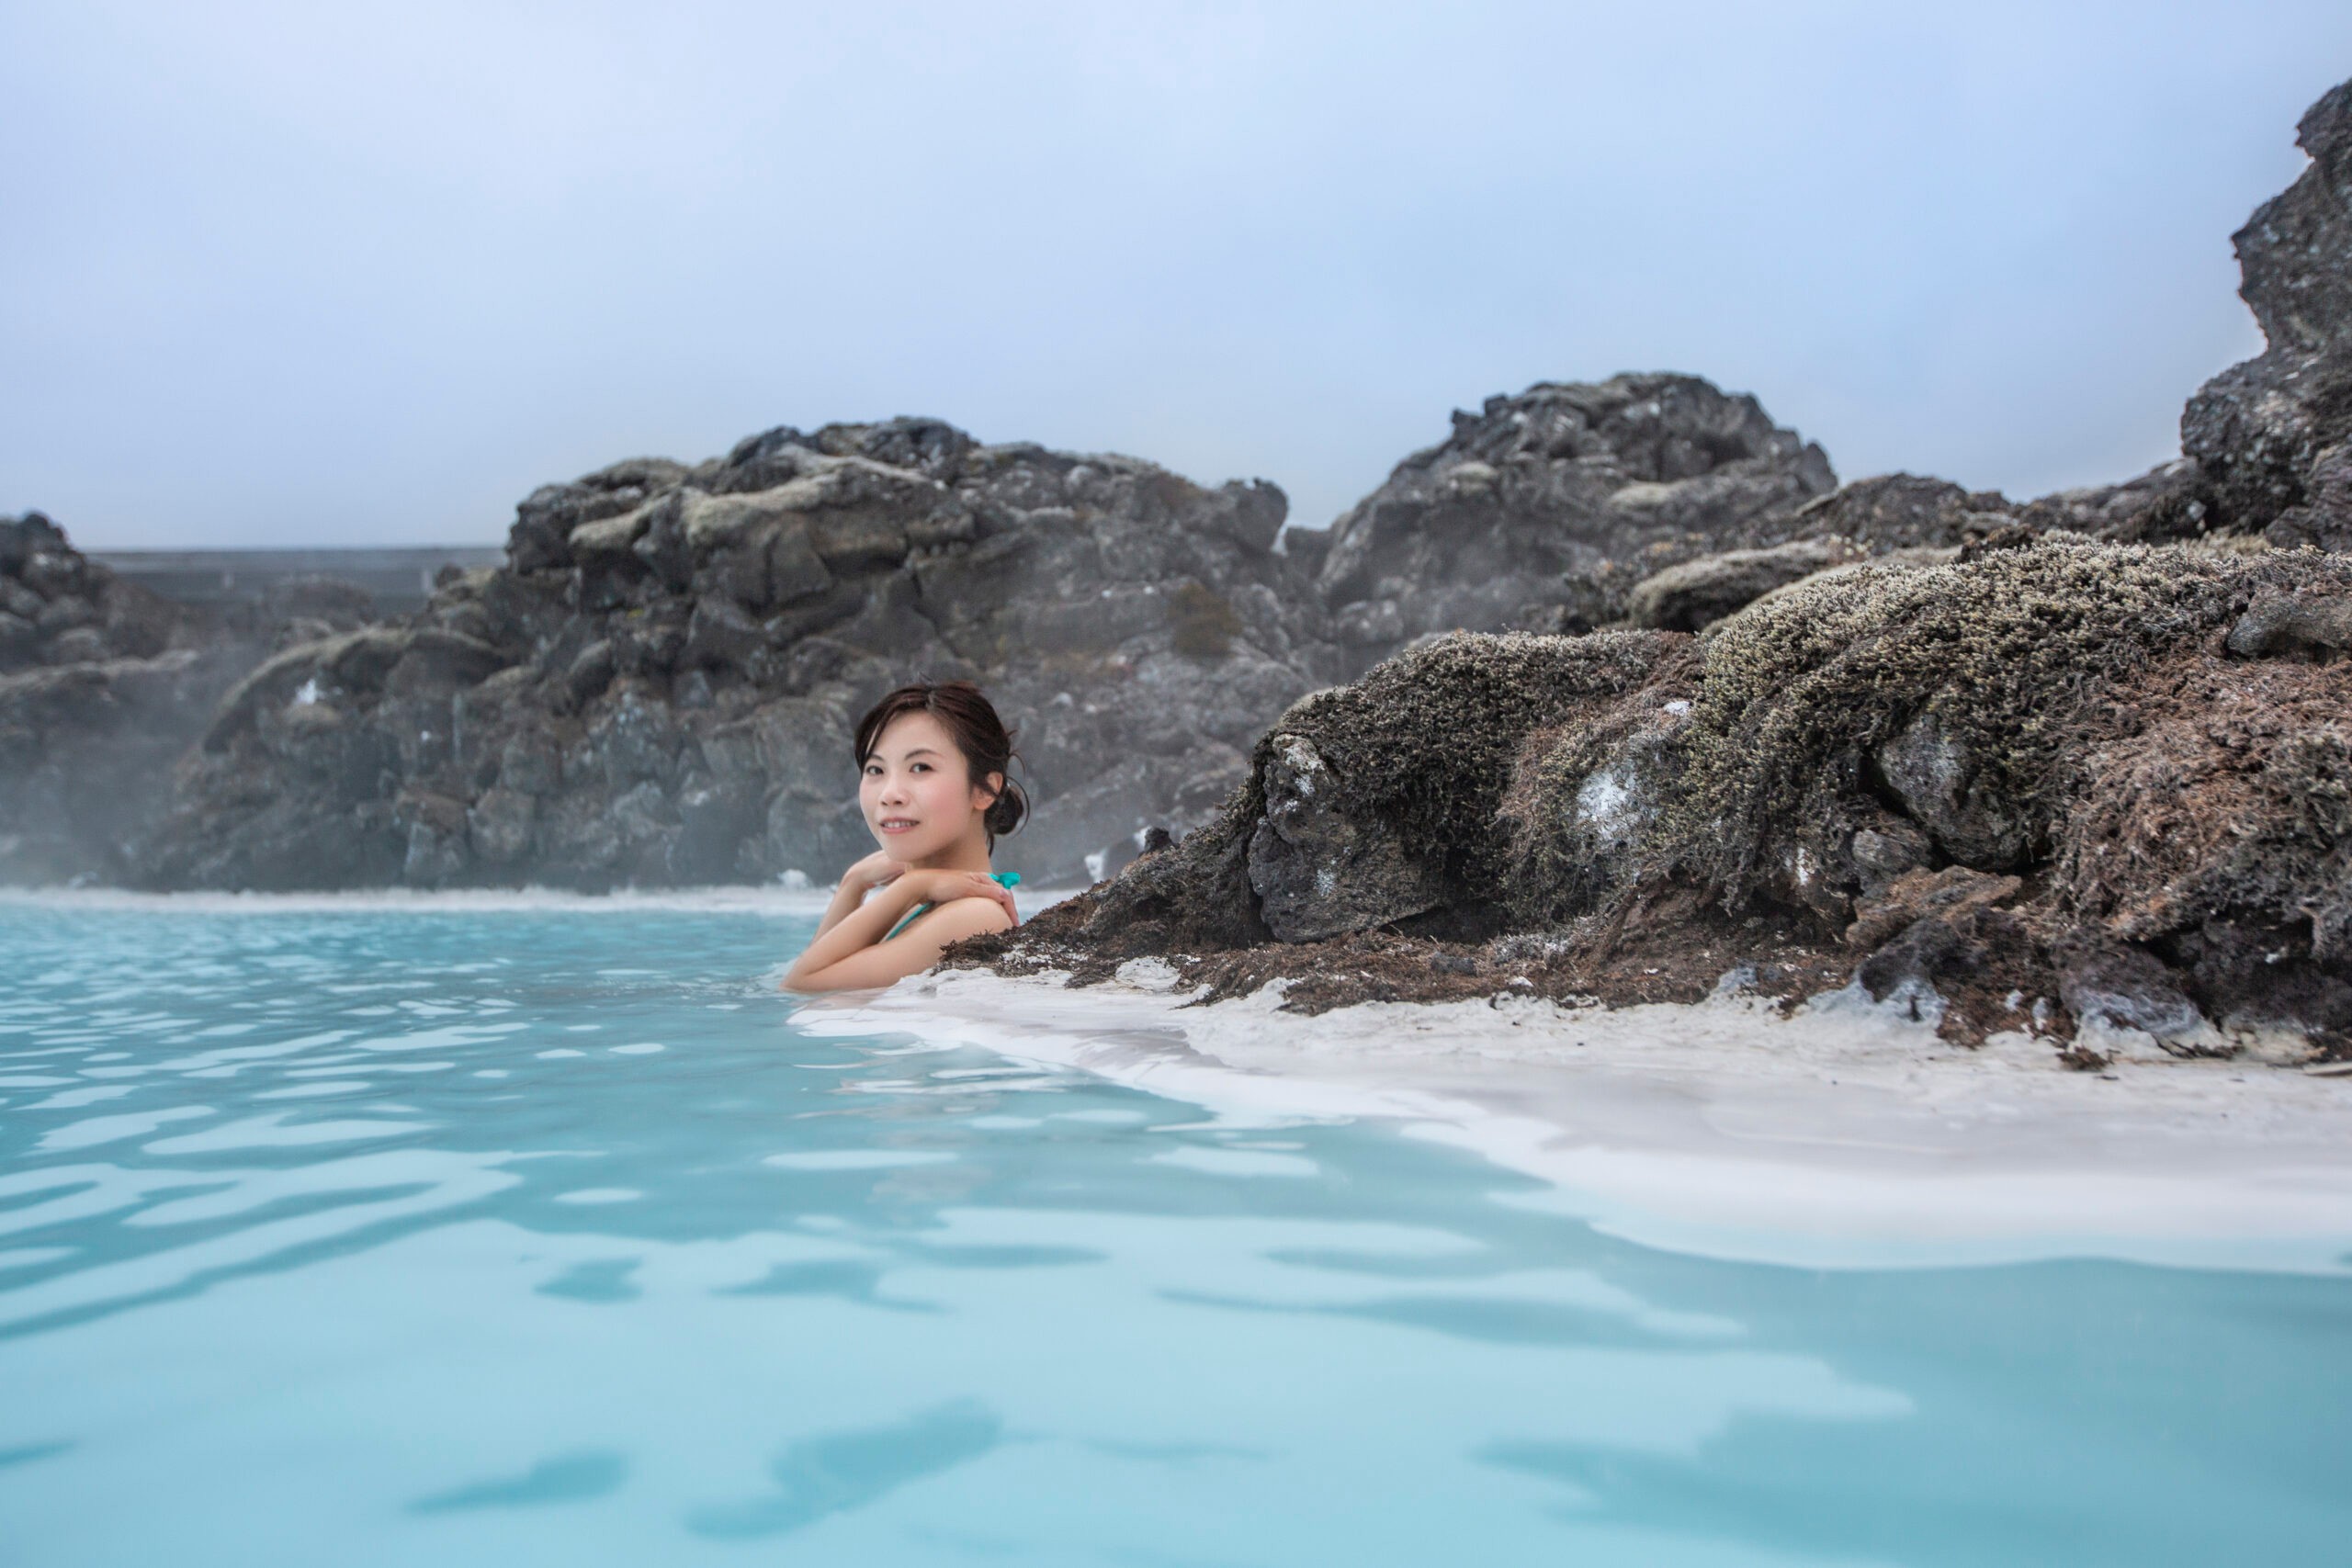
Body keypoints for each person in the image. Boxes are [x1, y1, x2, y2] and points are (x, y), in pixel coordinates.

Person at [781, 680, 1025, 993]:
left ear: (985, 789)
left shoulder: (974, 916)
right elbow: (819, 968)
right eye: (875, 770)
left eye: (921, 767)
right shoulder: (926, 904)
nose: (889, 794)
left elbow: (802, 986)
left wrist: (912, 885)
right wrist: (853, 884)